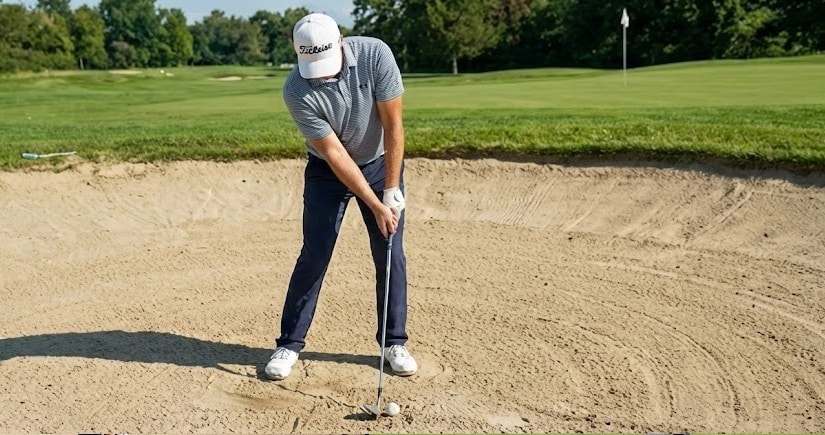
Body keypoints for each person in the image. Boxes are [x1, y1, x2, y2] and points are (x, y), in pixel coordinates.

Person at [264, 13, 417, 381]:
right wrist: (375, 204)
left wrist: (390, 190)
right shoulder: (296, 90)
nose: (322, 76)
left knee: (389, 250)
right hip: (327, 172)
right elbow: (334, 154)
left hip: (379, 164)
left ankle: (394, 342)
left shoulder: (375, 54)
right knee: (315, 254)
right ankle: (289, 344)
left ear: (341, 42)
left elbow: (394, 125)